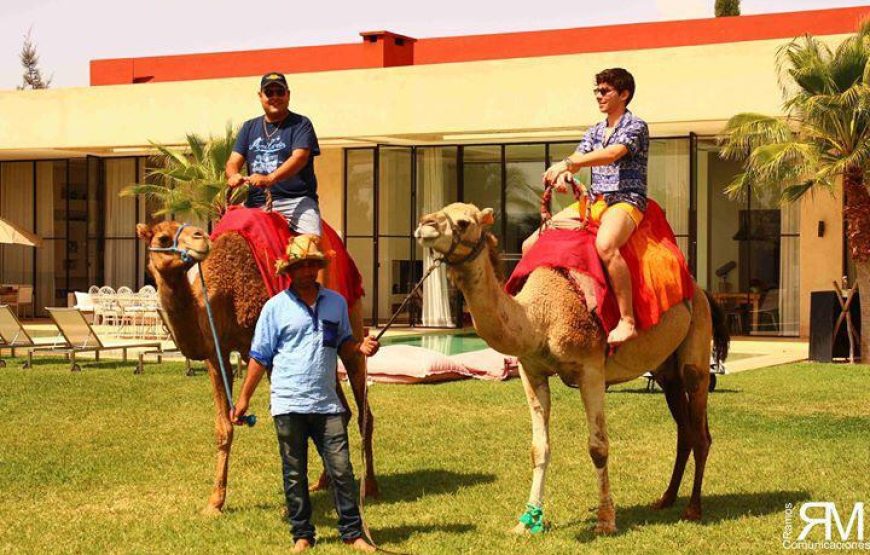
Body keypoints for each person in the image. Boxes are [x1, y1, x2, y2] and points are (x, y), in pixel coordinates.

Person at [232, 235, 379, 553]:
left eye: (313, 264)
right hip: (288, 402)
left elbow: (342, 343)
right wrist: (243, 398)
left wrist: (360, 346)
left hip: (327, 402)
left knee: (341, 469)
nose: (308, 270)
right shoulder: (275, 308)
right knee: (294, 472)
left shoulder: (336, 303)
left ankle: (353, 533)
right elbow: (260, 356)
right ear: (290, 270)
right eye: (301, 265)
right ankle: (302, 535)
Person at [528, 67, 649, 346]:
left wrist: (569, 165)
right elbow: (580, 156)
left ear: (624, 94)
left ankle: (627, 320)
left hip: (625, 199)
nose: (599, 96)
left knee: (606, 245)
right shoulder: (595, 130)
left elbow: (612, 154)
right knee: (531, 243)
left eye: (605, 91)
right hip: (593, 201)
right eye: (597, 90)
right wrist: (564, 175)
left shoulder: (636, 126)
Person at [226, 72, 323, 237]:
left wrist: (270, 178)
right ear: (260, 96)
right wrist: (233, 175)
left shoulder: (301, 124)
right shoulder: (249, 127)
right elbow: (233, 161)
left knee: (309, 249)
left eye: (280, 92)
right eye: (269, 92)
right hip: (254, 205)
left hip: (296, 202)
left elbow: (299, 157)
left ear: (288, 94)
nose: (275, 97)